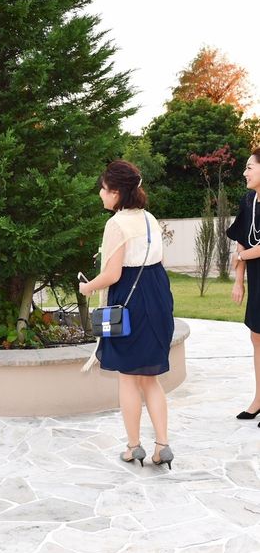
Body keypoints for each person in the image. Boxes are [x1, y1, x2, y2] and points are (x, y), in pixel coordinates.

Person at [79, 160, 175, 469]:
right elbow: (157, 260)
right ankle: (162, 446)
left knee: (128, 379)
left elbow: (113, 274)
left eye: (104, 188)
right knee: (150, 379)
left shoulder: (116, 224)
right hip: (157, 293)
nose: (100, 193)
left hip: (129, 301)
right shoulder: (149, 218)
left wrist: (87, 287)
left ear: (117, 192)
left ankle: (134, 447)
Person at [227, 148, 260, 424]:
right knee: (257, 338)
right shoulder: (249, 200)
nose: (244, 172)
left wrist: (241, 257)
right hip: (257, 279)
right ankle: (258, 400)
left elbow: (246, 251)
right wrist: (239, 281)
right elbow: (240, 239)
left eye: (250, 167)